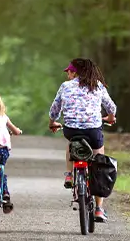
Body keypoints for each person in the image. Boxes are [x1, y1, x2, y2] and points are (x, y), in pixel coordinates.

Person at [48, 57, 116, 223]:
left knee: (71, 143)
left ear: (75, 72)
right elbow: (111, 107)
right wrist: (111, 118)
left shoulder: (65, 87)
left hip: (71, 130)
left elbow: (54, 110)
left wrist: (52, 123)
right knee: (99, 161)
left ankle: (70, 175)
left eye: (69, 72)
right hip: (93, 130)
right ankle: (99, 209)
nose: (67, 76)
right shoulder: (97, 85)